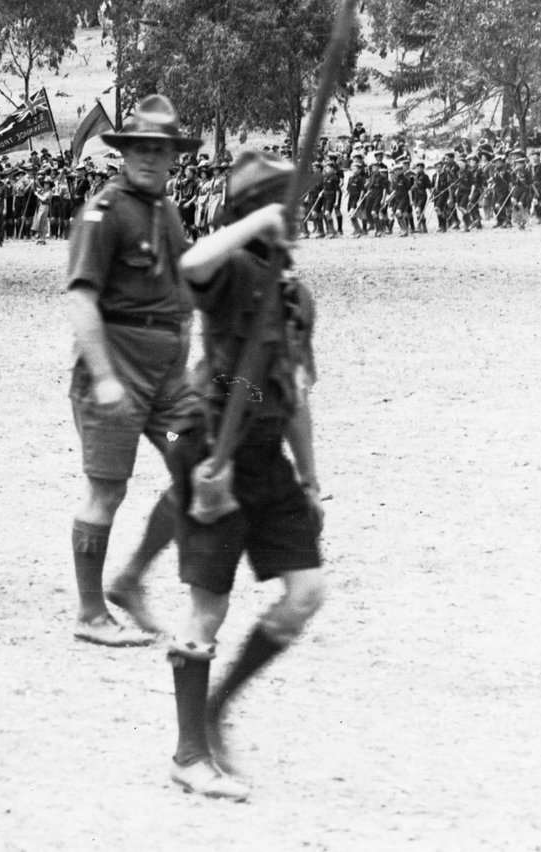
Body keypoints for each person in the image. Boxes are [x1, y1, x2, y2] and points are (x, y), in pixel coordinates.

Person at [163, 149, 326, 801]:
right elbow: (189, 266)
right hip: (214, 452)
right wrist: (256, 218)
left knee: (306, 591)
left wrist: (311, 479)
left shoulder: (294, 292)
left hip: (267, 454)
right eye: (285, 200)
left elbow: (296, 391)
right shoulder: (231, 268)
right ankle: (188, 754)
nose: (300, 212)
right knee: (210, 605)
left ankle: (216, 707)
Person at [62, 95, 197, 646]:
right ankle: (91, 614)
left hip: (166, 383)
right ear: (124, 152)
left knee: (198, 465)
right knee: (106, 491)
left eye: (159, 150)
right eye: (139, 147)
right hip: (116, 374)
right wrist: (106, 376)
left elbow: (182, 288)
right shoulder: (104, 212)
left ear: (172, 157)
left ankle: (132, 579)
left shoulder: (166, 210)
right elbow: (81, 300)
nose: (149, 157)